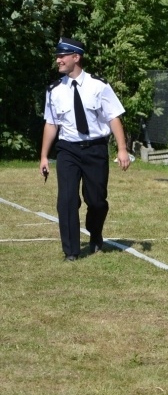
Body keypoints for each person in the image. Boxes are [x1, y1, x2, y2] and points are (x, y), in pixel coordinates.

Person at [39, 37, 131, 261]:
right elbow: (51, 124)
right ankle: (71, 251)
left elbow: (114, 118)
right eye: (58, 56)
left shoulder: (98, 86)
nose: (58, 60)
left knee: (97, 200)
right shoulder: (54, 90)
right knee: (67, 200)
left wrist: (122, 149)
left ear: (76, 57)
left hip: (95, 149)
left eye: (62, 56)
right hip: (68, 149)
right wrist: (43, 156)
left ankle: (95, 232)